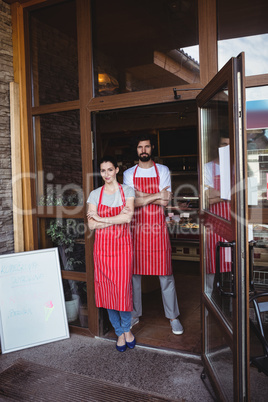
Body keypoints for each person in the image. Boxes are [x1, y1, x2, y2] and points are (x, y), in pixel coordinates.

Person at [123, 134, 183, 335]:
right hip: (136, 229)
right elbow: (131, 202)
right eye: (140, 147)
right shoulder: (128, 173)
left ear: (152, 148)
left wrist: (143, 197)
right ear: (137, 150)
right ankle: (133, 315)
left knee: (166, 275)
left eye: (146, 146)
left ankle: (173, 317)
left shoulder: (163, 170)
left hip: (157, 229)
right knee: (134, 276)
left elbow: (165, 202)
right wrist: (157, 194)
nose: (143, 150)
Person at [87, 156, 135, 352]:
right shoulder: (94, 194)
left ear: (116, 170)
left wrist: (101, 218)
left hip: (123, 249)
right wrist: (115, 218)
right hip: (102, 250)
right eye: (103, 171)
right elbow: (91, 224)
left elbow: (128, 217)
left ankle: (127, 329)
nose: (106, 174)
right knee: (107, 292)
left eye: (109, 170)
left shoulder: (127, 191)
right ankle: (119, 332)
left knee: (122, 290)